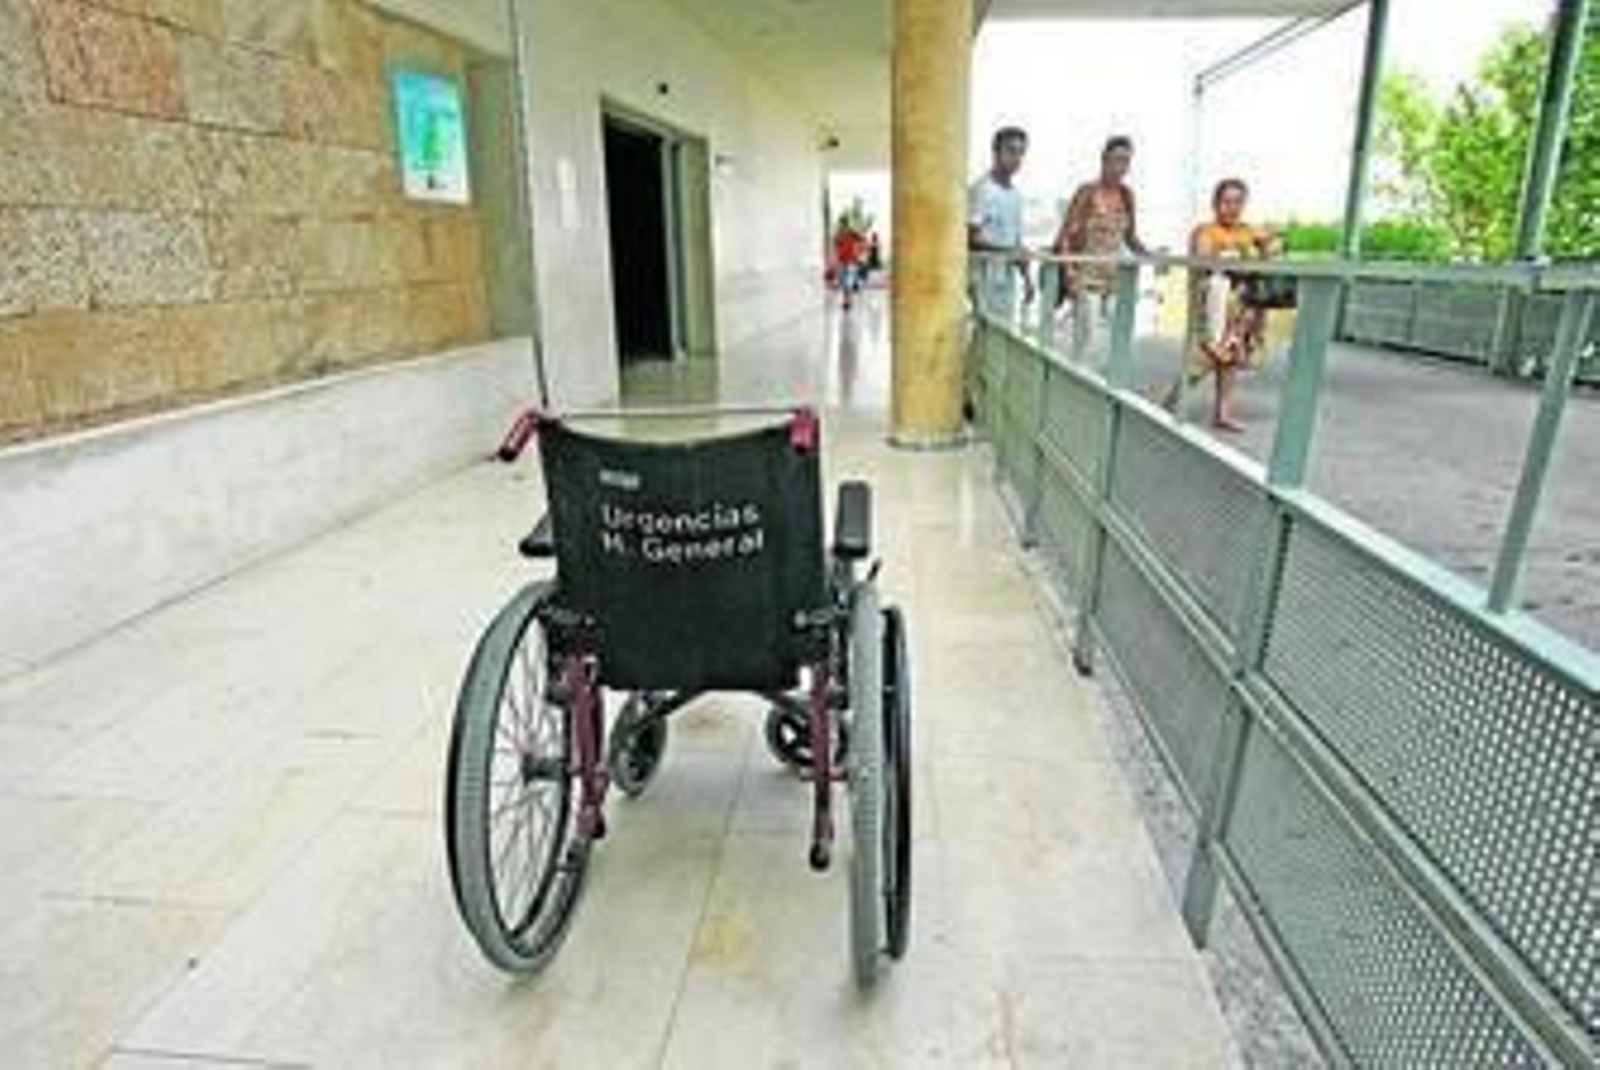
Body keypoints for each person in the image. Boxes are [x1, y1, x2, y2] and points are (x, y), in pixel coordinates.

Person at [1161, 177, 1280, 432]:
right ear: (1216, 203)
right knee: (1203, 360)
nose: (1232, 207)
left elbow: (1271, 252)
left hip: (1239, 309)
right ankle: (1169, 404)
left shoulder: (1248, 230)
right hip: (1213, 306)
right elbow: (1204, 260)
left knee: (1231, 360)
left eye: (1238, 201)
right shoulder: (1205, 230)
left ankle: (1223, 413)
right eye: (1226, 201)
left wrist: (1269, 241)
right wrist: (1239, 252)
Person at [1052, 135, 1150, 308]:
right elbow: (1066, 236)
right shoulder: (1087, 192)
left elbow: (1130, 237)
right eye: (1117, 160)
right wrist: (1069, 272)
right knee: (1088, 332)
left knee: (1112, 332)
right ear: (1104, 159)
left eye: (1126, 161)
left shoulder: (1126, 195)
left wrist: (1151, 256)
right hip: (1086, 278)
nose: (1121, 167)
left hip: (1114, 280)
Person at [968, 126, 1034, 318]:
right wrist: (1008, 252)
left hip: (1006, 280)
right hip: (982, 279)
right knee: (984, 335)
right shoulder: (982, 189)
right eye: (1011, 151)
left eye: (1021, 152)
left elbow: (1015, 241)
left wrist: (1028, 280)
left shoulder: (1016, 195)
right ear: (996, 153)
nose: (1016, 158)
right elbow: (970, 239)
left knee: (1003, 335)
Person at [833, 218, 867, 310]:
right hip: (842, 261)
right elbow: (836, 248)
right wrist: (836, 260)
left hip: (851, 261)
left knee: (847, 282)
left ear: (847, 225)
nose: (842, 226)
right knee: (843, 282)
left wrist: (860, 251)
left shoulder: (852, 233)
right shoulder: (838, 235)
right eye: (841, 225)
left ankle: (847, 301)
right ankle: (847, 300)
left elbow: (863, 240)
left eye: (844, 225)